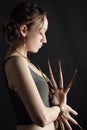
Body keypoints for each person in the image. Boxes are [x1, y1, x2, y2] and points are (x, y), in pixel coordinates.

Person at [2, 2, 79, 130]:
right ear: (24, 30)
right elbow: (41, 118)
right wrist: (60, 109)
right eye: (41, 32)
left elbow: (42, 110)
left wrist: (52, 103)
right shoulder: (16, 62)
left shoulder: (25, 61)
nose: (44, 40)